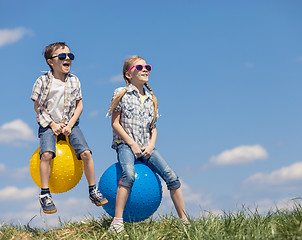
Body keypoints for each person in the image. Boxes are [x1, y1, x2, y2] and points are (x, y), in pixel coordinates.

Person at [106, 55, 188, 233]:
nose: (145, 70)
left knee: (172, 177)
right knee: (128, 174)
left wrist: (151, 145)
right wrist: (132, 144)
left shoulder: (152, 99)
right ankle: (117, 221)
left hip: (147, 146)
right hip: (126, 145)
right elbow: (115, 123)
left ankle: (184, 221)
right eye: (139, 67)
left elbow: (154, 128)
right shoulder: (121, 93)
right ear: (128, 75)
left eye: (147, 67)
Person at [31, 42, 108, 214]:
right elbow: (38, 107)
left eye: (70, 56)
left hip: (70, 123)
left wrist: (70, 124)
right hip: (49, 124)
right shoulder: (42, 80)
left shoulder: (74, 80)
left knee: (86, 153)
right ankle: (45, 194)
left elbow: (80, 105)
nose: (67, 59)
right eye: (62, 56)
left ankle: (93, 190)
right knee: (47, 154)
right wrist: (52, 124)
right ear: (51, 62)